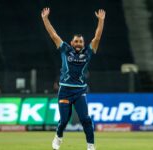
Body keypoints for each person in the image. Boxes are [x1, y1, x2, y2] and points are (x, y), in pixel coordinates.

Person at [41, 7, 105, 150]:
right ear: (71, 42)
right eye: (76, 41)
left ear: (83, 43)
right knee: (64, 120)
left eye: (80, 42)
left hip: (79, 91)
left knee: (86, 119)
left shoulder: (88, 52)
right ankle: (58, 137)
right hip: (64, 91)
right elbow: (53, 34)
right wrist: (45, 19)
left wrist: (101, 21)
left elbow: (97, 37)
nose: (78, 44)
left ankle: (90, 146)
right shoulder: (65, 49)